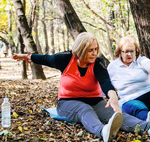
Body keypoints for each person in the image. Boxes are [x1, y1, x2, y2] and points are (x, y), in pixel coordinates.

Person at [13, 32, 150, 142]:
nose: (94, 53)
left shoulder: (97, 63)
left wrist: (112, 95)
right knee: (84, 109)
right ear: (81, 49)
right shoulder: (65, 59)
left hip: (95, 101)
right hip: (67, 102)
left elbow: (105, 80)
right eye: (90, 50)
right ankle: (103, 131)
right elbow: (44, 59)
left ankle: (147, 127)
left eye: (96, 49)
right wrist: (25, 56)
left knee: (116, 113)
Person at [107, 36, 150, 122]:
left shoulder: (141, 61)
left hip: (147, 93)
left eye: (132, 51)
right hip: (129, 100)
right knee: (140, 109)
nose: (129, 54)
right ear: (120, 52)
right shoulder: (112, 67)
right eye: (126, 51)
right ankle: (148, 122)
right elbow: (104, 84)